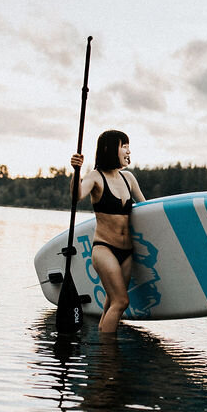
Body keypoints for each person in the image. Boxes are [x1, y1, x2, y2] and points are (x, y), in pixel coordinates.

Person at [69, 129, 146, 335]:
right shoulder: (95, 177)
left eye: (129, 146)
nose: (128, 150)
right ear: (109, 149)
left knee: (111, 302)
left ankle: (102, 350)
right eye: (124, 145)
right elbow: (77, 195)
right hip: (104, 249)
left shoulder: (128, 178)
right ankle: (109, 357)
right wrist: (76, 171)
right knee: (121, 301)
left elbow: (147, 209)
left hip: (127, 252)